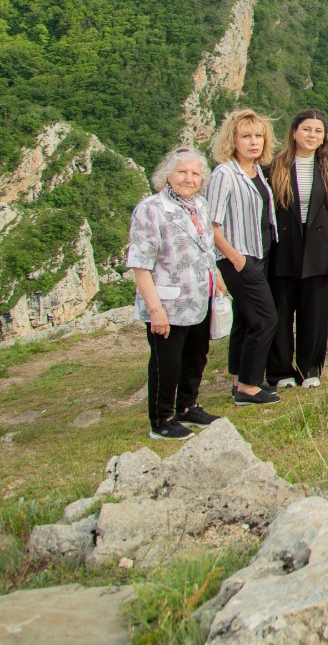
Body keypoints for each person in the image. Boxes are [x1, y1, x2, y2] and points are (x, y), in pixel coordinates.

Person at [128, 146, 222, 439]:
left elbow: (207, 247)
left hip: (198, 298)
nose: (188, 178)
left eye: (195, 173)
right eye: (182, 172)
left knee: (196, 356)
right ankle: (162, 419)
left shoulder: (200, 205)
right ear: (167, 175)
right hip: (167, 302)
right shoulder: (150, 209)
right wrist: (155, 309)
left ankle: (187, 407)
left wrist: (216, 276)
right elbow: (140, 265)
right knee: (166, 363)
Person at [266, 109, 328, 389]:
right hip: (283, 247)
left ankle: (310, 369)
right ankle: (279, 371)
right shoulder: (275, 167)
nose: (312, 135)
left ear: (324, 136)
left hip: (319, 248)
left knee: (314, 312)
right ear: (294, 132)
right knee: (280, 311)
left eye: (318, 131)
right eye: (306, 129)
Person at [206, 109, 281, 406]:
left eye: (259, 136)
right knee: (265, 319)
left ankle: (239, 379)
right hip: (239, 257)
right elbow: (212, 224)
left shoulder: (256, 170)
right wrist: (235, 259)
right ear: (232, 140)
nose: (254, 142)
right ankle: (249, 388)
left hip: (259, 253)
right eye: (246, 136)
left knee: (246, 320)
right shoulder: (224, 173)